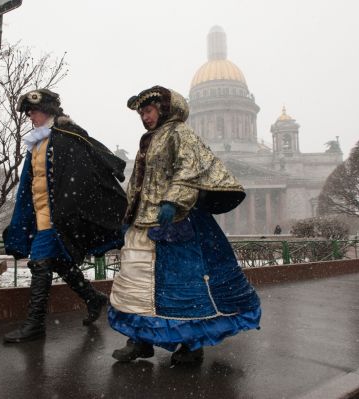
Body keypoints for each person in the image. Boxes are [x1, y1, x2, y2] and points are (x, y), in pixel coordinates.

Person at [108, 86, 262, 365]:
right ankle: (140, 340)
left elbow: (190, 169)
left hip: (177, 220)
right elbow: (138, 183)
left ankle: (192, 345)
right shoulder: (148, 140)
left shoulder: (180, 133)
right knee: (138, 281)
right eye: (142, 112)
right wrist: (128, 216)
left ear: (164, 109)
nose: (145, 116)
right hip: (145, 222)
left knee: (184, 285)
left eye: (149, 110)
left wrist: (173, 200)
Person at [3, 88, 127, 343]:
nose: (29, 116)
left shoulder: (65, 137)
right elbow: (31, 182)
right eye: (28, 112)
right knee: (59, 262)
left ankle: (35, 325)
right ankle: (93, 298)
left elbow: (81, 176)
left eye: (33, 111)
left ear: (47, 110)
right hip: (39, 214)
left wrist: (69, 210)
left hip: (56, 216)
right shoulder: (37, 140)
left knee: (40, 262)